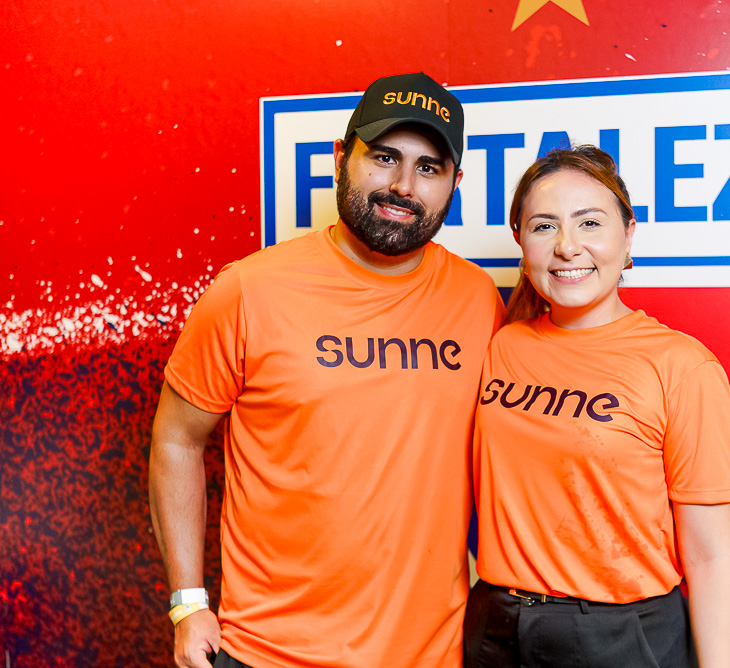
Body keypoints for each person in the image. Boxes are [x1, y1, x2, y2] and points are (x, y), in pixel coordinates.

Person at [149, 72, 504, 668]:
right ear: (341, 158)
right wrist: (188, 604)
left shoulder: (477, 301)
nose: (403, 185)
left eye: (428, 167)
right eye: (384, 158)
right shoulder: (248, 290)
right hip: (269, 652)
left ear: (455, 184)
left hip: (432, 655)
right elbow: (176, 439)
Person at [464, 145, 730, 667]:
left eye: (589, 222)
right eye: (544, 226)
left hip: (621, 636)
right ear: (520, 240)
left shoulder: (681, 366)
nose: (567, 247)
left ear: (628, 234)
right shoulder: (501, 345)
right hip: (495, 626)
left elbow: (711, 556)